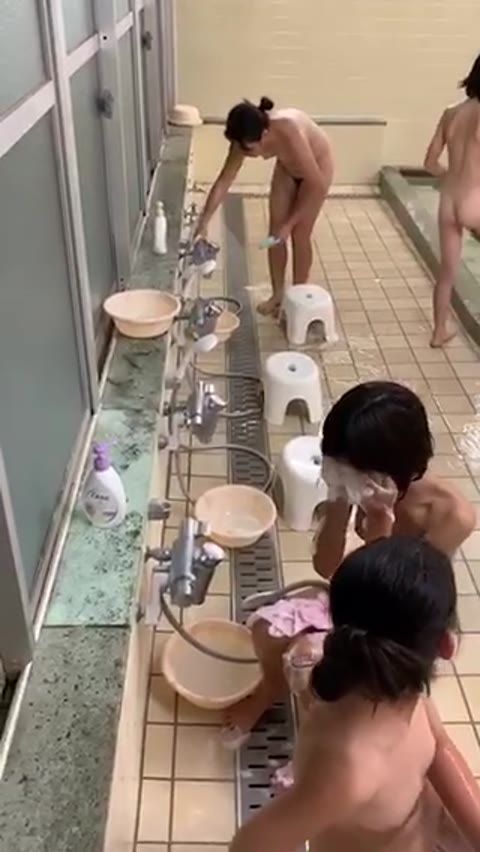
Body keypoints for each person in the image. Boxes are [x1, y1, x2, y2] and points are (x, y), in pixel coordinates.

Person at [221, 381, 475, 746]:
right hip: (362, 591)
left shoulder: (449, 516)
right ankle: (271, 691)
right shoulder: (365, 478)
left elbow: (387, 601)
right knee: (268, 632)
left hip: (399, 621)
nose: (345, 475)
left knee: (312, 664)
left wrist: (381, 525)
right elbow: (327, 567)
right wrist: (338, 498)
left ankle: (327, 737)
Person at [230, 537, 480, 852]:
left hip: (424, 832)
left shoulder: (408, 693)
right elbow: (251, 846)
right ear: (446, 645)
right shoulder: (349, 766)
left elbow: (439, 747)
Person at [194, 97, 334, 316]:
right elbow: (224, 181)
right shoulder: (243, 139)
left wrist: (289, 224)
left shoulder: (288, 130)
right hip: (288, 169)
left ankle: (298, 297)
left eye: (250, 149)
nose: (247, 154)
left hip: (317, 171)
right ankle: (277, 296)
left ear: (265, 134)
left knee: (299, 233)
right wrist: (204, 222)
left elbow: (316, 184)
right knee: (275, 234)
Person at [424, 52, 480, 347]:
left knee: (447, 274)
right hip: (476, 200)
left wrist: (453, 177)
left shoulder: (451, 113)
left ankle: (439, 331)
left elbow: (430, 163)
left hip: (449, 201)